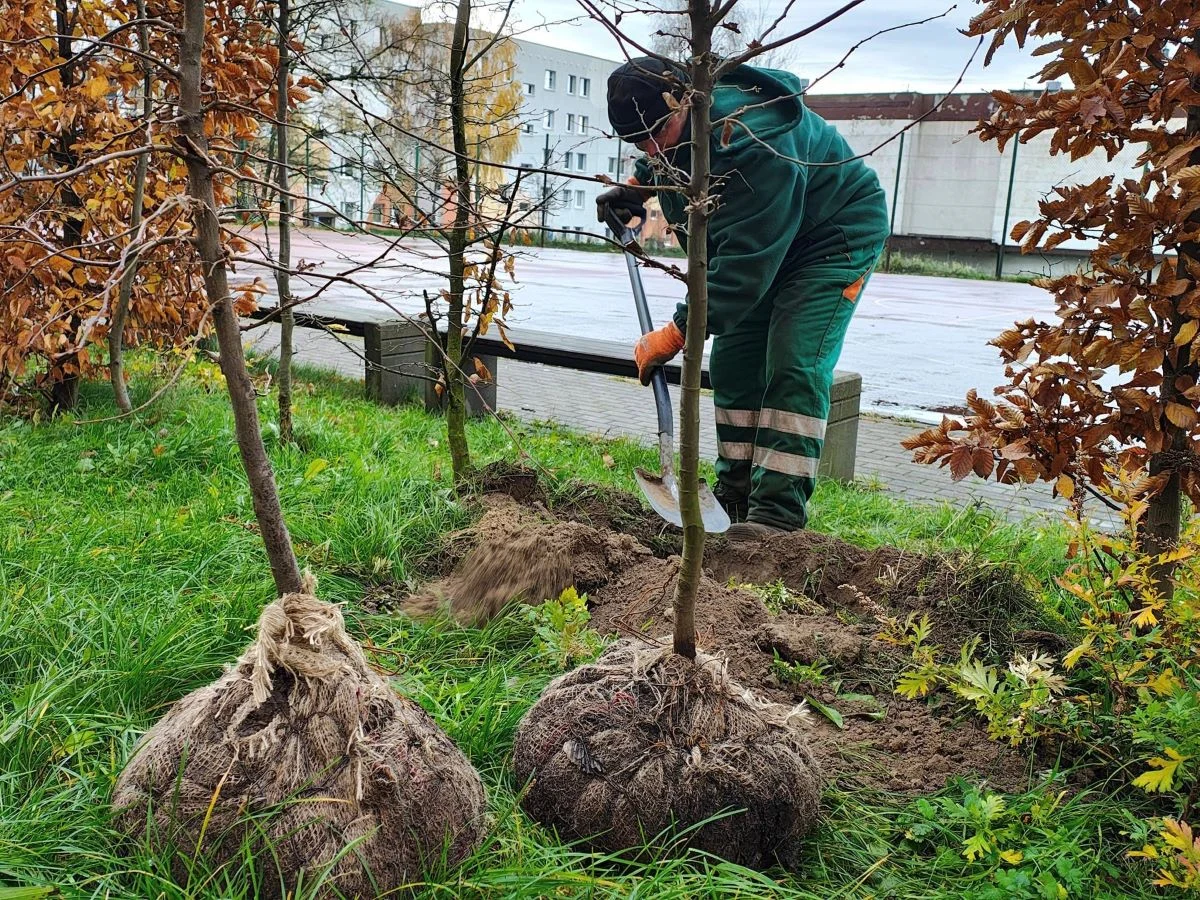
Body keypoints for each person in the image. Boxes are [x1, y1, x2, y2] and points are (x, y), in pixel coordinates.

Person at [597, 56, 888, 541]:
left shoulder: (754, 142)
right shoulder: (674, 130)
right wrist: (638, 186)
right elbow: (678, 163)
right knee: (734, 360)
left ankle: (775, 517)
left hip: (831, 237)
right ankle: (735, 494)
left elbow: (739, 273)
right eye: (636, 142)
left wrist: (674, 335)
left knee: (793, 362)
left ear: (685, 100)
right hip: (764, 241)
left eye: (656, 134)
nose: (651, 149)